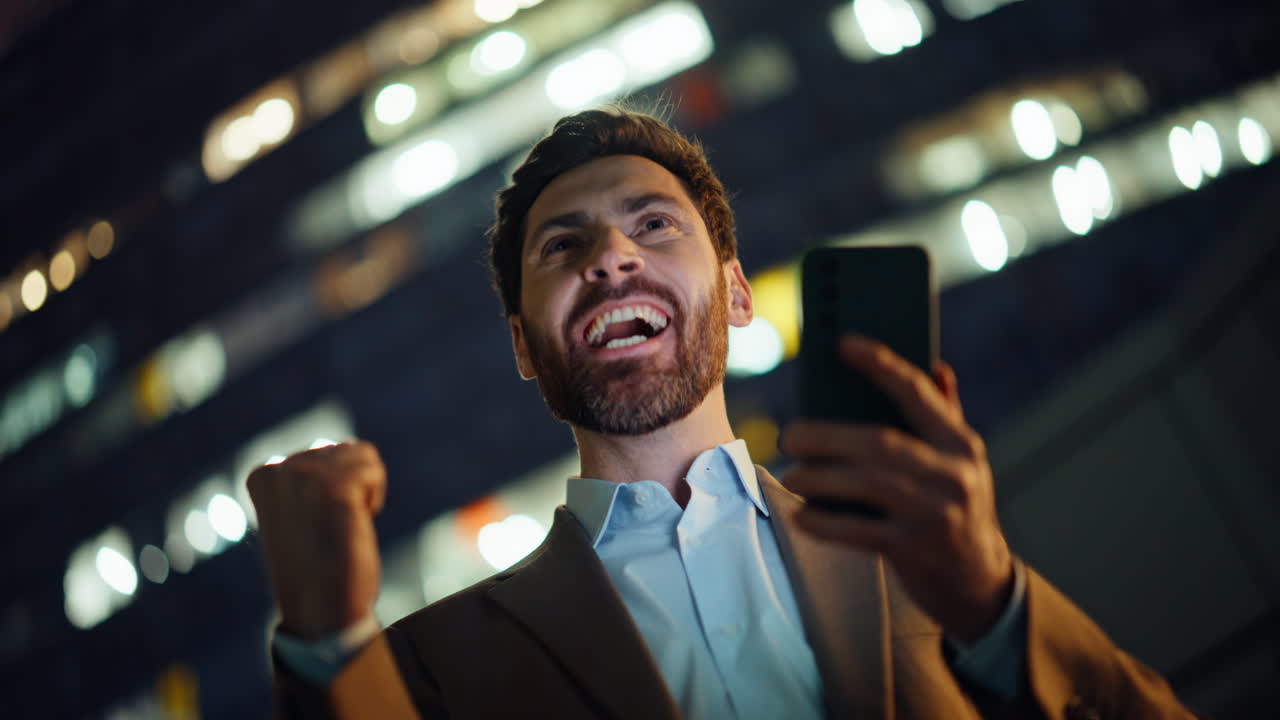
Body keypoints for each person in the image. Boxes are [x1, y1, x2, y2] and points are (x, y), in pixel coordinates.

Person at [248, 108, 1197, 719]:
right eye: (564, 245)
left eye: (652, 223)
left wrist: (998, 610)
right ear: (524, 349)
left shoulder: (928, 554)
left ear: (737, 295)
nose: (611, 257)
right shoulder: (428, 666)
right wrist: (328, 641)